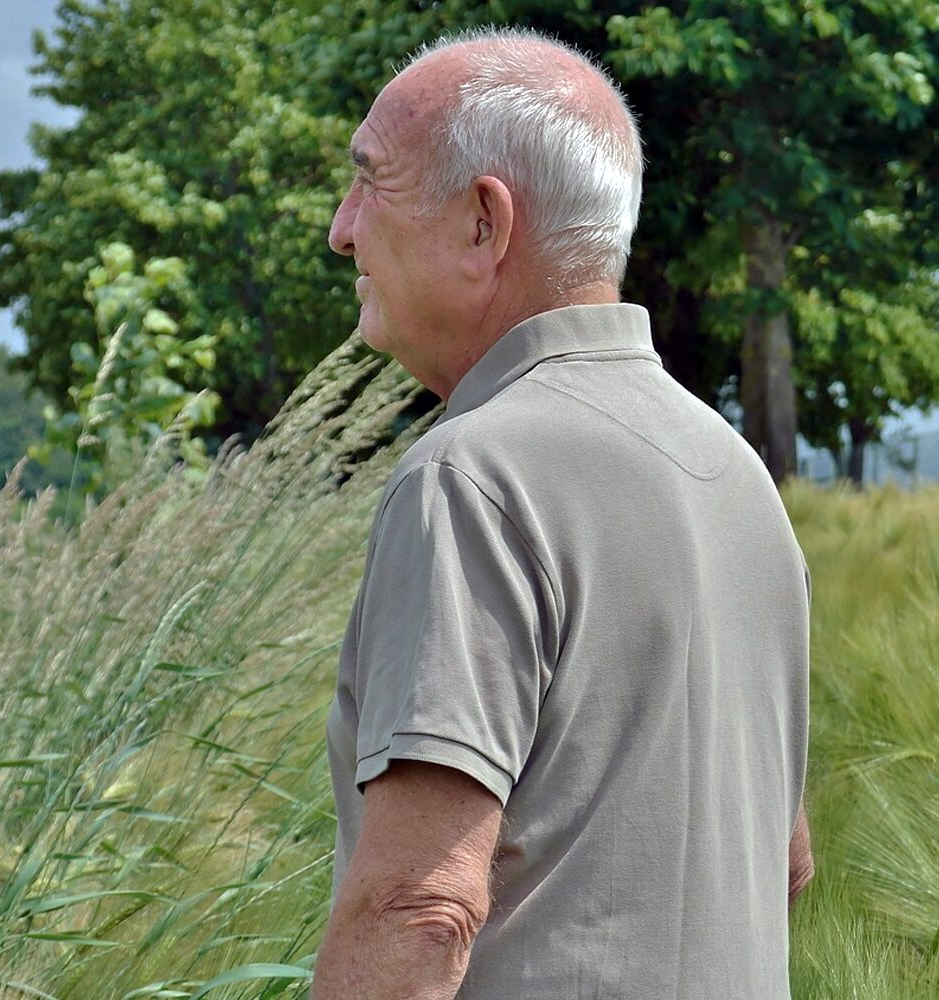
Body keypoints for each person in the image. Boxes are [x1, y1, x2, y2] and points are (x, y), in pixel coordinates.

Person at [314, 27, 815, 999]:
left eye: (370, 180)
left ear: (483, 225)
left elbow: (419, 913)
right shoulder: (739, 475)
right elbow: (783, 867)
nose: (342, 227)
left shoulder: (471, 477)